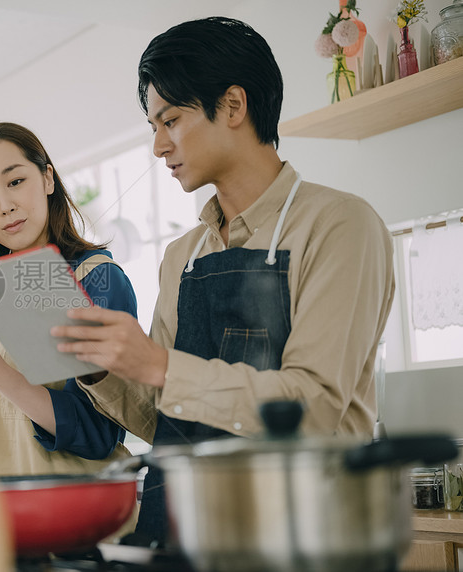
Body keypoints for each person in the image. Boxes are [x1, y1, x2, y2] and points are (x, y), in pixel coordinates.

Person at [52, 17, 395, 544]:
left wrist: (159, 364)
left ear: (233, 106)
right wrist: (98, 368)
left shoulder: (340, 225)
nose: (158, 147)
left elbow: (314, 408)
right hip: (183, 535)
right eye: (152, 128)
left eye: (171, 121)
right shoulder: (182, 256)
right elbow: (167, 420)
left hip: (302, 540)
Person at [0, 122, 139, 477]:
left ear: (47, 179)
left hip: (74, 515)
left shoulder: (95, 279)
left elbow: (98, 433)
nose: (5, 206)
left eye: (15, 182)